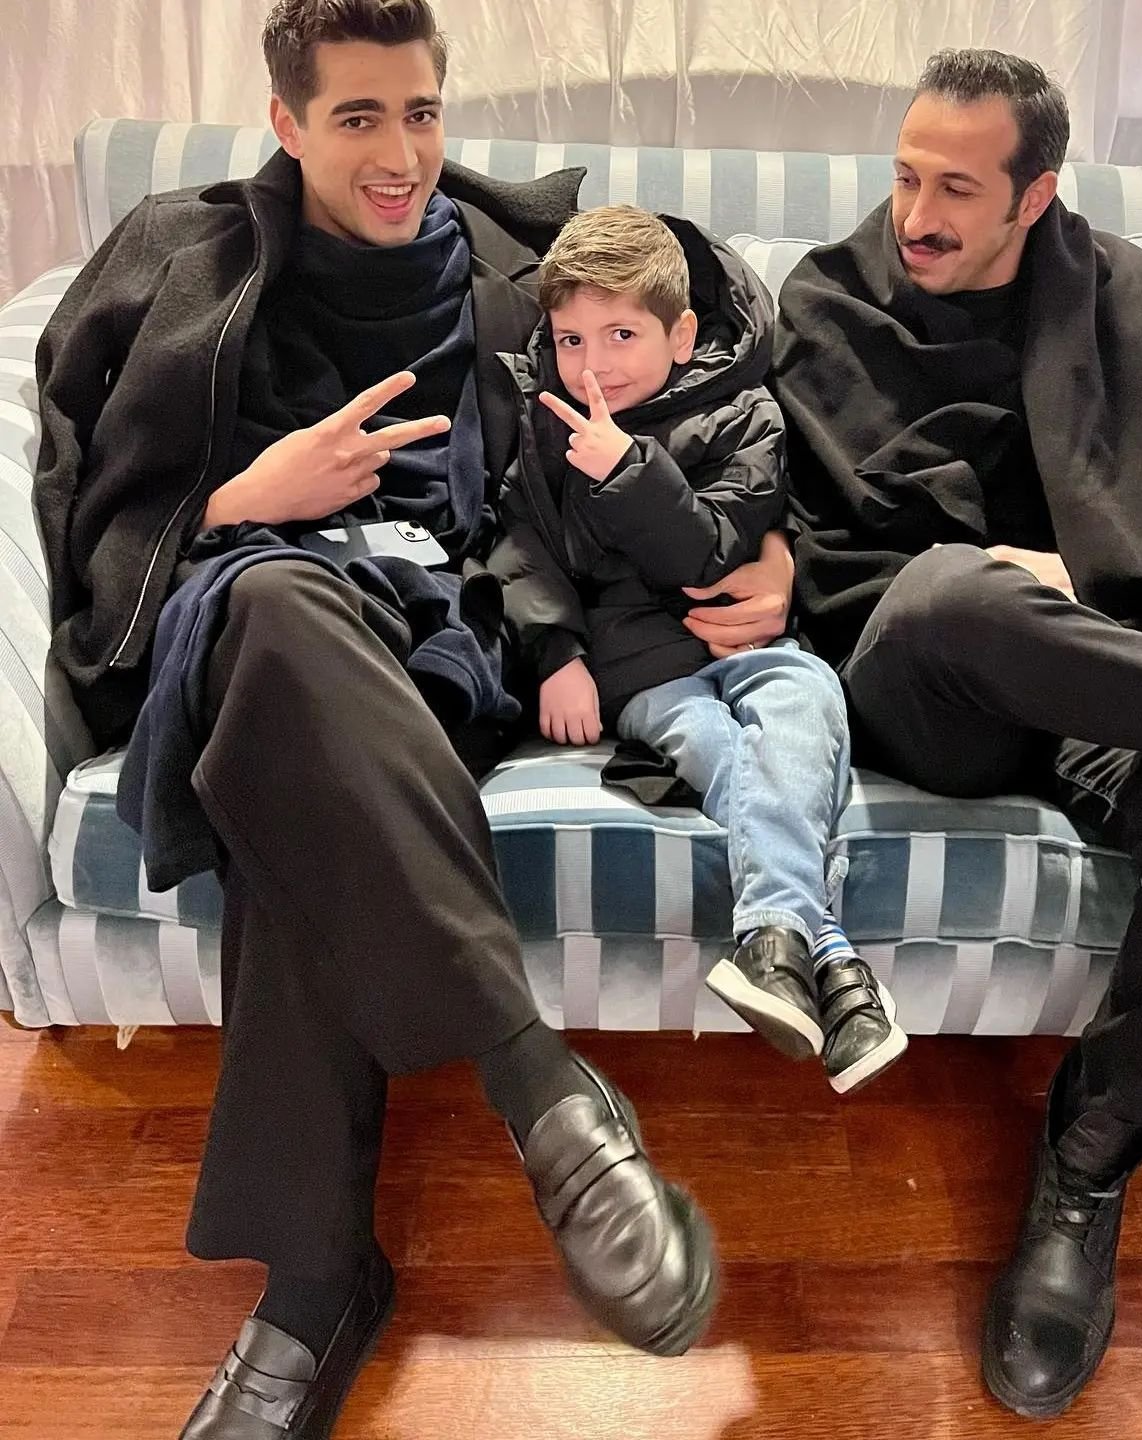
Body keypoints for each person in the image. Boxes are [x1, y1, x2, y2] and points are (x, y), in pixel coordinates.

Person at [682, 47, 1142, 1421]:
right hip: (932, 693)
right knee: (950, 596)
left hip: (1123, 680)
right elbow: (815, 548)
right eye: (907, 177)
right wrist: (989, 583)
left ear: (1035, 196)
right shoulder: (833, 301)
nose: (917, 215)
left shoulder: (1130, 300)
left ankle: (1092, 1152)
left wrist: (1077, 578)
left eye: (957, 190)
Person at [35, 4, 716, 1436]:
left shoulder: (518, 260)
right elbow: (87, 492)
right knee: (281, 623)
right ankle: (541, 1091)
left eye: (421, 112)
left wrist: (754, 552)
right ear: (287, 123)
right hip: (258, 616)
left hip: (445, 646)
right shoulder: (189, 256)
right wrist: (246, 500)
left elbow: (722, 337)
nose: (402, 153)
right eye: (358, 118)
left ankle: (317, 1292)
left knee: (301, 789)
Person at [490, 203, 908, 1093]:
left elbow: (713, 549)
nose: (593, 364)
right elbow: (519, 545)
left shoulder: (747, 412)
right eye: (570, 340)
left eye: (620, 335)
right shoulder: (542, 422)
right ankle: (821, 951)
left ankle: (781, 943)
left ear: (680, 336)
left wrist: (628, 470)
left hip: (751, 637)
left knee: (807, 710)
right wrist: (557, 655)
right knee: (721, 750)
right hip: (642, 665)